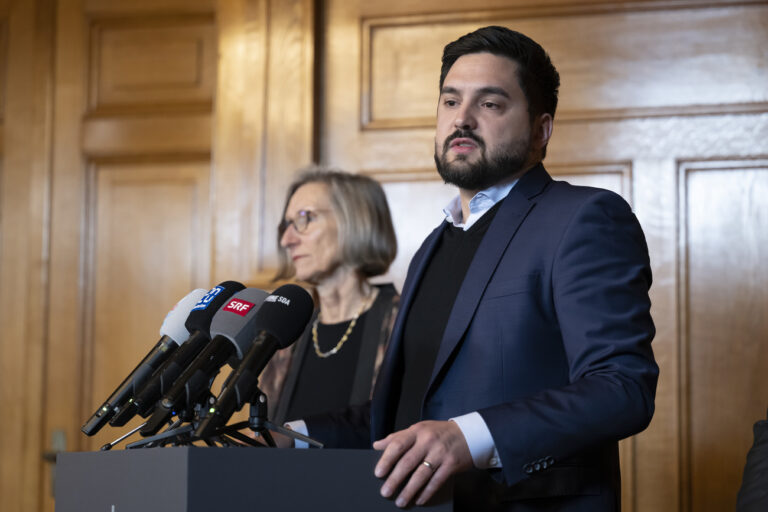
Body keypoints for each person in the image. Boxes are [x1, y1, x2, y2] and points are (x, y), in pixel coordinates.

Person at [293, 26, 659, 511]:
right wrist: (288, 437)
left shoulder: (583, 218)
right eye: (450, 102)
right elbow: (399, 421)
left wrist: (469, 438)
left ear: (540, 130)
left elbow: (622, 387)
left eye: (490, 104)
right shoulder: (432, 247)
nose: (461, 119)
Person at [259, 169, 399, 428]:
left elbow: (398, 424)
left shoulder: (402, 322)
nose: (287, 240)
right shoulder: (288, 333)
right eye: (287, 225)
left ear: (357, 220)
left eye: (305, 218)